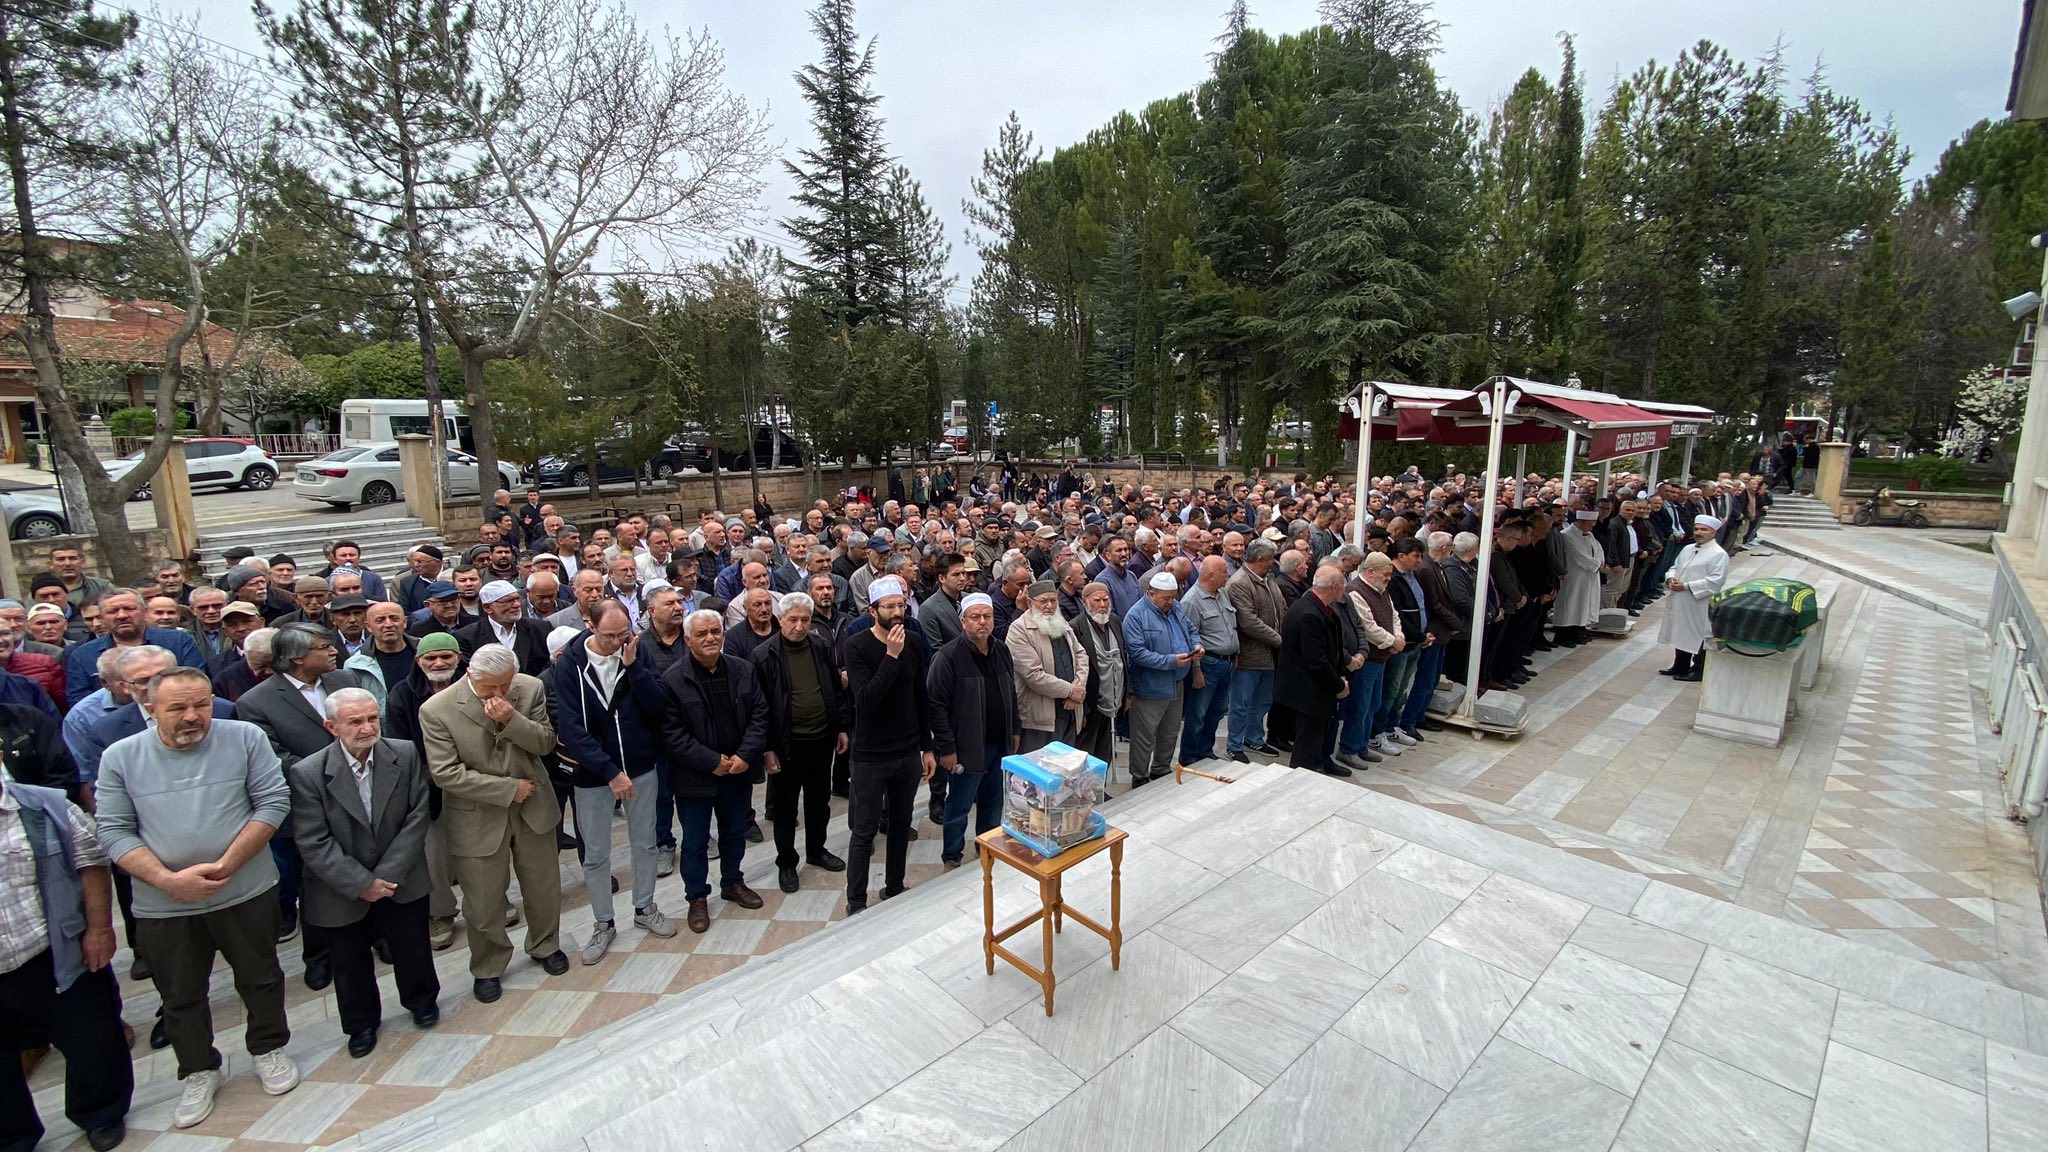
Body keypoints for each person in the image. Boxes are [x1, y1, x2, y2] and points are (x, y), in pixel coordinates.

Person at [95, 667, 301, 1128]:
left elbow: (272, 801)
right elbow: (111, 830)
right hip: (165, 904)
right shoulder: (120, 757)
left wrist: (229, 864)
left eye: (201, 705)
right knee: (181, 993)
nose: (193, 716)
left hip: (245, 890)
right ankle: (198, 1069)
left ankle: (269, 1047)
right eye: (178, 708)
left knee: (261, 975)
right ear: (149, 708)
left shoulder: (244, 737)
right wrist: (168, 881)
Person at [284, 688, 440, 1059]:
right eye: (354, 721)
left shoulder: (403, 753)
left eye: (372, 718)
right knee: (350, 961)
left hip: (401, 876)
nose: (367, 728)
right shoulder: (308, 774)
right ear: (331, 726)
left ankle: (421, 1001)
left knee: (412, 946)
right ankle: (361, 1024)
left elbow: (417, 816)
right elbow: (313, 839)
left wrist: (386, 875)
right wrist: (362, 883)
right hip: (340, 887)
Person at [418, 644, 568, 1002]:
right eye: (490, 687)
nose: (499, 693)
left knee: (543, 887)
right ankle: (488, 966)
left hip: (533, 807)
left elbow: (546, 743)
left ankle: (545, 945)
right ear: (470, 674)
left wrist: (511, 719)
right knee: (483, 900)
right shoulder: (436, 710)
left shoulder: (529, 687)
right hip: (477, 815)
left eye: (505, 684)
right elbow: (445, 773)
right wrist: (506, 789)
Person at [0, 770, 132, 1152]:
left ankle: (101, 1112)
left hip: (53, 950)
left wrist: (99, 929)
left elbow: (91, 861)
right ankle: (12, 1136)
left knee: (91, 1037)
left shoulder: (45, 805)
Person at [231, 624, 366, 990]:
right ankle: (319, 956)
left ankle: (376, 937)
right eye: (324, 647)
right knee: (317, 883)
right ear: (296, 658)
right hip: (310, 803)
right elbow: (274, 758)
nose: (334, 650)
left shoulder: (344, 679)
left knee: (366, 864)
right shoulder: (256, 702)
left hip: (364, 790)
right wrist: (336, 770)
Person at [551, 603, 676, 963]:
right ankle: (603, 922)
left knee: (646, 842)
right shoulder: (569, 665)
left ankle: (645, 907)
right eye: (610, 636)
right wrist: (610, 772)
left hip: (640, 764)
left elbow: (657, 704)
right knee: (596, 854)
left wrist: (633, 665)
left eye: (624, 634)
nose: (618, 642)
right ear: (589, 626)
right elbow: (572, 730)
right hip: (594, 775)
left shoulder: (637, 652)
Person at [656, 610, 767, 932]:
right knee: (694, 842)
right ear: (687, 639)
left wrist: (745, 755)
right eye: (702, 633)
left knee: (734, 832)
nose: (710, 638)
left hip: (737, 772)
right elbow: (672, 734)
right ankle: (697, 898)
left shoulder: (742, 669)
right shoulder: (673, 680)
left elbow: (760, 713)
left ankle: (733, 882)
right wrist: (712, 761)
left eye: (715, 631)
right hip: (695, 779)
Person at [840, 576, 937, 914]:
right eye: (890, 607)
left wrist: (927, 747)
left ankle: (894, 885)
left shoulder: (912, 640)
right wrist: (891, 656)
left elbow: (919, 696)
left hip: (906, 751)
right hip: (871, 755)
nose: (898, 612)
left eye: (901, 606)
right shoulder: (856, 645)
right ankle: (856, 900)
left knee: (900, 823)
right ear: (873, 611)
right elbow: (866, 700)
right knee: (864, 830)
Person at [750, 593, 849, 894]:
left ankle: (817, 850)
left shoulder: (820, 646)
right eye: (792, 620)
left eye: (805, 620)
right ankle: (787, 862)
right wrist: (767, 749)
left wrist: (841, 728)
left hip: (821, 739)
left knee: (819, 801)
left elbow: (834, 689)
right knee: (785, 808)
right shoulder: (764, 655)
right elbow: (760, 706)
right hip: (786, 744)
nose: (799, 625)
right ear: (780, 620)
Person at [928, 592, 1019, 867]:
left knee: (993, 803)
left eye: (987, 616)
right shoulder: (948, 657)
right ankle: (952, 856)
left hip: (998, 744)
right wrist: (947, 749)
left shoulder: (1001, 649)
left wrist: (1014, 730)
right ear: (963, 621)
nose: (982, 622)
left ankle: (987, 848)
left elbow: (1011, 694)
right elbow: (936, 706)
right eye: (975, 617)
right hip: (966, 749)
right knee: (959, 806)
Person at [1277, 563, 1353, 776]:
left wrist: (1340, 676)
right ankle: (1300, 782)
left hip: (1317, 688)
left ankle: (1317, 768)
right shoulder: (1308, 613)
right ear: (1335, 586)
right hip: (1309, 690)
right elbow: (1316, 661)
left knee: (1317, 738)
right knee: (1307, 744)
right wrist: (1338, 684)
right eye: (1343, 586)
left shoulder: (1321, 609)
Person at [1122, 569, 1197, 786]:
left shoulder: (1176, 607)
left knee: (1170, 731)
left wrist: (1197, 645)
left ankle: (1161, 768)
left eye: (1173, 597)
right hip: (1150, 686)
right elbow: (1138, 653)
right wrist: (1171, 661)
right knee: (1145, 735)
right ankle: (1139, 775)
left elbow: (1191, 630)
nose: (1170, 602)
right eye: (1166, 598)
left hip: (1176, 681)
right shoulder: (1135, 616)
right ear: (1151, 593)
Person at [1007, 578, 1089, 752]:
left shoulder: (1060, 621)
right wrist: (1070, 690)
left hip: (1070, 708)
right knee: (1040, 770)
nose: (1050, 606)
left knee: (1065, 769)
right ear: (1029, 603)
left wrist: (1078, 687)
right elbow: (1033, 675)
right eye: (1044, 601)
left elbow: (1081, 654)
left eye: (1053, 600)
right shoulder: (1018, 630)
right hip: (1040, 718)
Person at [1224, 538, 1285, 762]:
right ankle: (1235, 744)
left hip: (1268, 655)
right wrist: (1279, 639)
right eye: (1271, 558)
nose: (1274, 562)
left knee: (1263, 701)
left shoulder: (1269, 579)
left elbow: (1281, 609)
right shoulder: (1239, 583)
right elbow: (1248, 622)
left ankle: (1254, 737)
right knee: (1241, 703)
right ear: (1260, 559)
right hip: (1249, 656)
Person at [1177, 556, 1237, 765]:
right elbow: (1188, 639)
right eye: (1223, 572)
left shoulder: (1222, 595)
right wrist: (1196, 670)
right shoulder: (1191, 601)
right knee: (1198, 715)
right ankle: (1189, 757)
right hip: (1208, 665)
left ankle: (1205, 750)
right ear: (1211, 575)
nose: (1227, 575)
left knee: (1217, 711)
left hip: (1226, 663)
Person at [1657, 515, 1730, 682]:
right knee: (1681, 631)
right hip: (1680, 599)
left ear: (1713, 533)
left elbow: (1715, 581)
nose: (1698, 532)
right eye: (1696, 529)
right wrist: (1671, 578)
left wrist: (1686, 585)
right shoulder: (1688, 549)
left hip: (1699, 602)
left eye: (1703, 529)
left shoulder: (1719, 554)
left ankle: (1698, 669)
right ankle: (1680, 664)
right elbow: (1675, 566)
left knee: (1699, 633)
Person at [1067, 582, 1123, 772]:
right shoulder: (1075, 627)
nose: (1102, 604)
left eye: (1105, 600)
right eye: (1097, 600)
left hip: (1113, 696)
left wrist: (1127, 693)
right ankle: (1083, 795)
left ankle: (1100, 790)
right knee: (1085, 751)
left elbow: (1123, 656)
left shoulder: (1114, 621)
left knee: (1104, 749)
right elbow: (1074, 669)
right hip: (1090, 701)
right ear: (1084, 602)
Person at [458, 580, 552, 675]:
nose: (517, 605)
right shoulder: (467, 637)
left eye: (517, 599)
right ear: (488, 608)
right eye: (508, 601)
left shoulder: (540, 629)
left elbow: (549, 664)